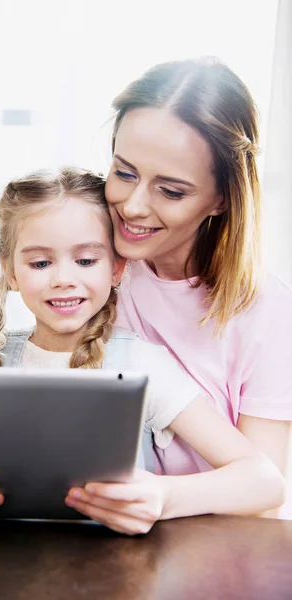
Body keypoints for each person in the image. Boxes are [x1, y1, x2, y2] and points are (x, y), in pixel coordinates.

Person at [0, 167, 285, 534]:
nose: (64, 279)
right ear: (11, 271)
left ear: (116, 269)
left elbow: (264, 482)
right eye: (41, 262)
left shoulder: (142, 364)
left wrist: (164, 496)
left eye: (85, 260)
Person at [64, 57, 292, 528]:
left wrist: (159, 497)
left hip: (214, 550)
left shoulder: (266, 312)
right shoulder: (93, 271)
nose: (133, 205)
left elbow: (267, 497)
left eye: (170, 191)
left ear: (222, 199)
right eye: (124, 172)